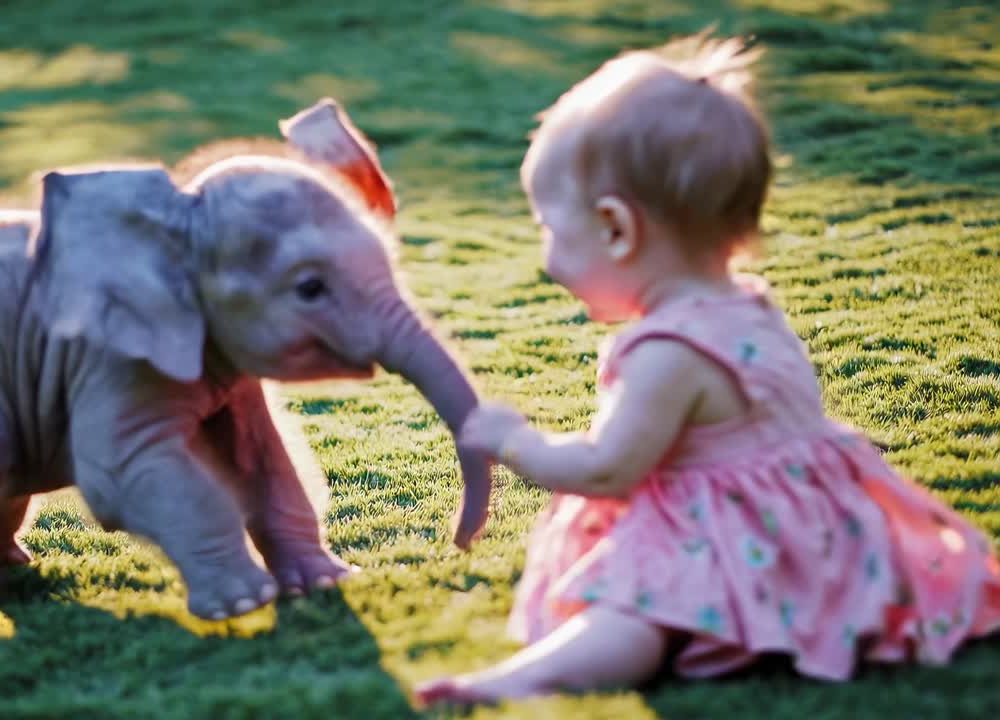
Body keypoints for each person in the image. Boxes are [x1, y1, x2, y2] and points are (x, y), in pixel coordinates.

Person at [416, 32, 1000, 705]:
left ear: (616, 229)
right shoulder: (750, 309)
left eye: (550, 229)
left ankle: (525, 679)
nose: (547, 259)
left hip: (727, 542)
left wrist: (516, 441)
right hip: (814, 541)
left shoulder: (669, 351)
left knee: (632, 615)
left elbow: (607, 470)